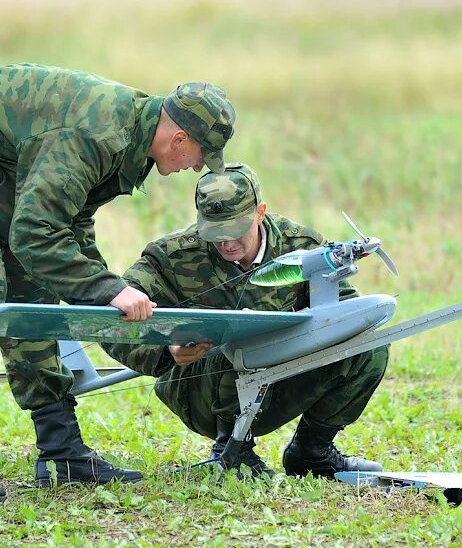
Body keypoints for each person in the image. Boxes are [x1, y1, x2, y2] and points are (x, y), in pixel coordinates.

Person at [0, 64, 236, 501]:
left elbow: (68, 233)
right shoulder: (95, 136)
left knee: (36, 291)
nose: (198, 166)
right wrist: (110, 290)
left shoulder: (130, 145)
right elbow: (35, 235)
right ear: (179, 138)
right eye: (202, 155)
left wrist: (143, 332)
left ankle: (60, 449)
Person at [104, 163, 388, 478]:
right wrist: (165, 350)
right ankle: (232, 451)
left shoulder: (302, 246)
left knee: (368, 347)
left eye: (237, 230)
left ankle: (312, 451)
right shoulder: (170, 257)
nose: (227, 244)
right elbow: (110, 322)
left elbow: (345, 312)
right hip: (200, 389)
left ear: (260, 213)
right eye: (215, 233)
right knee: (237, 336)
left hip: (280, 375)